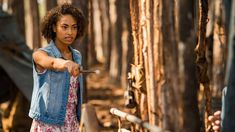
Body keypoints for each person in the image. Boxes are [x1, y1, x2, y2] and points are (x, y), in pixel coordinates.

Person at [28, 3, 86, 132]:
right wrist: (66, 64)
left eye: (74, 27)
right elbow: (52, 62)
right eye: (64, 27)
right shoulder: (40, 54)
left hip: (72, 120)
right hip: (48, 121)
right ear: (54, 27)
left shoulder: (76, 55)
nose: (70, 32)